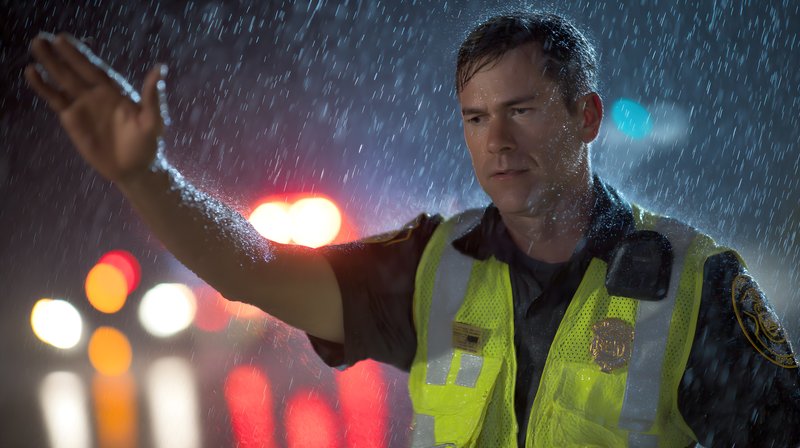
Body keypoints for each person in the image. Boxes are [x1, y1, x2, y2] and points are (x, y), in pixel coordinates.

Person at [25, 10, 800, 448]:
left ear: (586, 116)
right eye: (476, 118)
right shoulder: (434, 265)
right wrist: (147, 177)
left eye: (523, 111)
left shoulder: (696, 284)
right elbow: (254, 270)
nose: (497, 142)